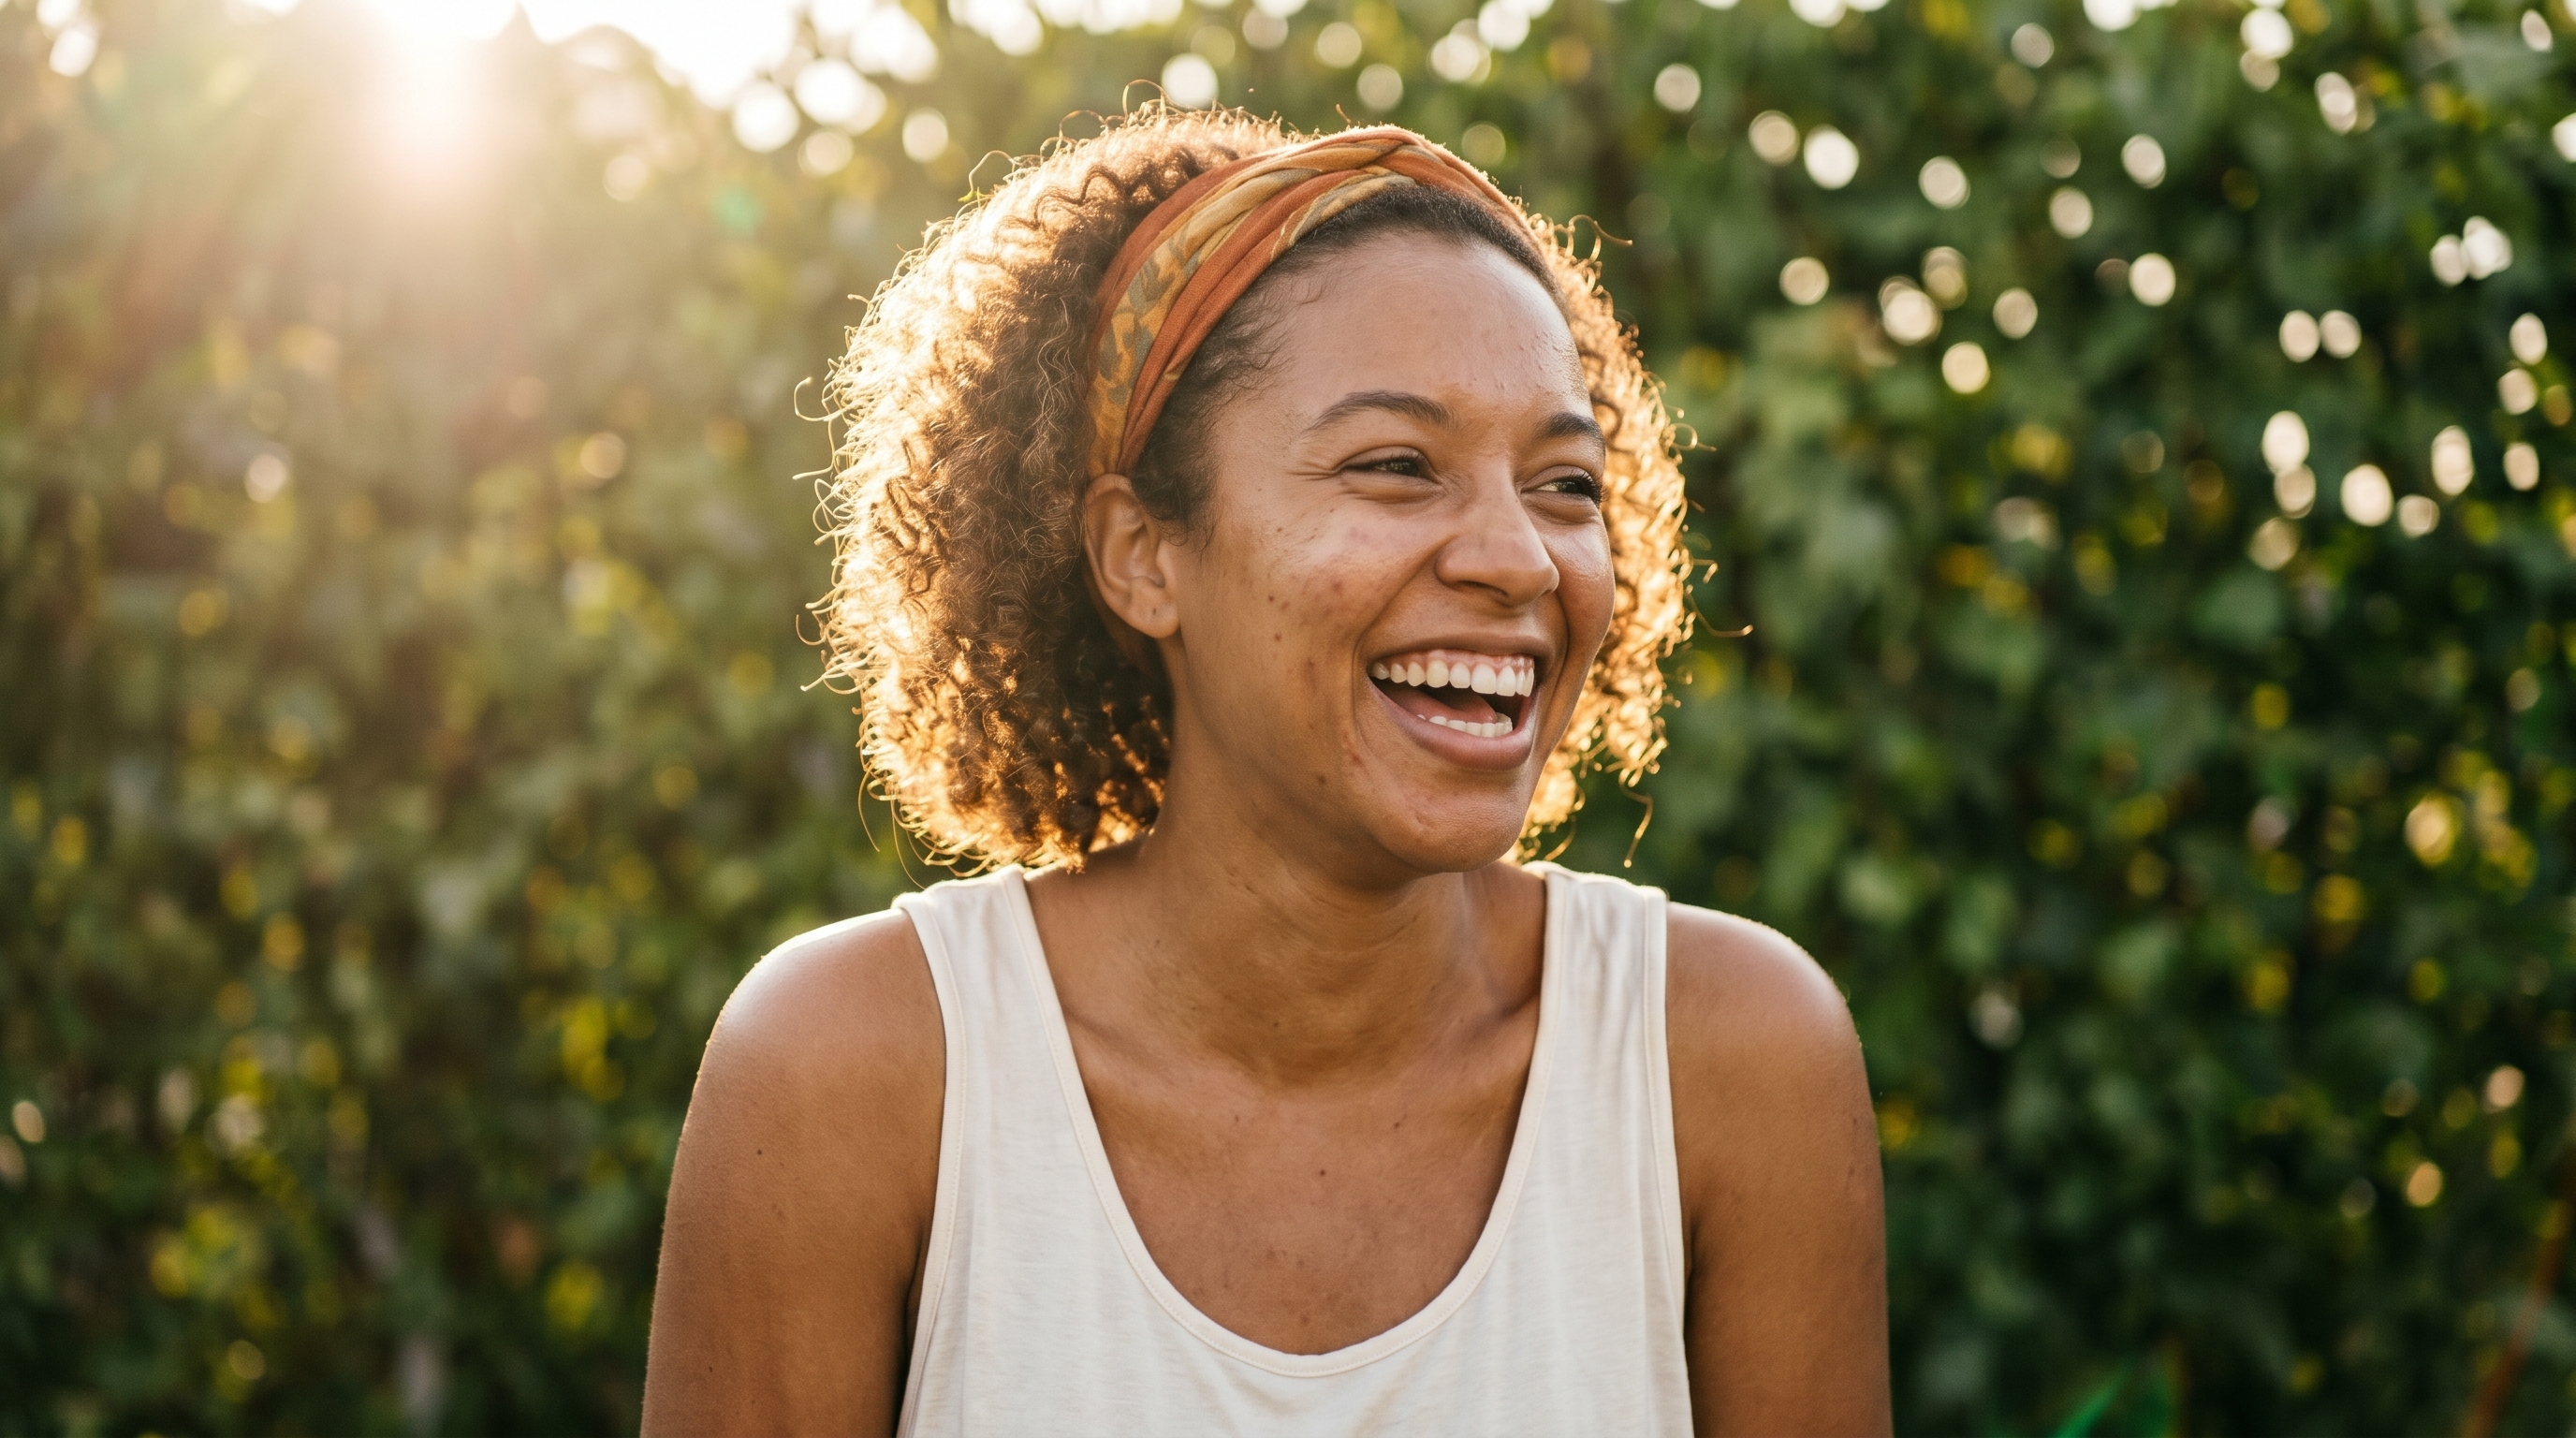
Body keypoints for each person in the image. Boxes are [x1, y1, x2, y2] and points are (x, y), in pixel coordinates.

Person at [641, 110, 1888, 1436]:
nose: (1522, 560)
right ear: (1144, 555)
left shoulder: (1733, 1063)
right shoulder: (857, 1075)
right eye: (1396, 466)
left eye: (1565, 483)